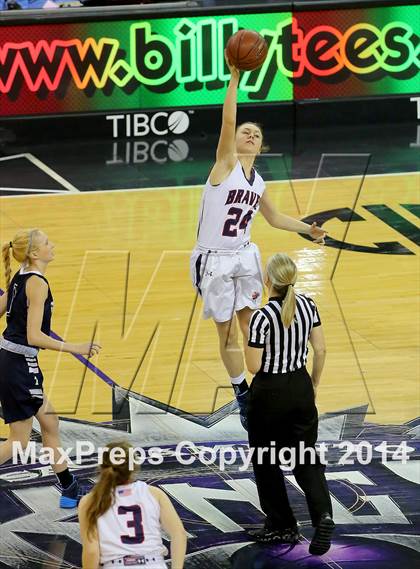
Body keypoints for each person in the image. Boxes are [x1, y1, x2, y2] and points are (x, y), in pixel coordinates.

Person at [190, 53, 326, 429]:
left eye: (257, 134)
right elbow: (228, 118)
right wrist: (235, 79)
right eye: (245, 132)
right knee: (228, 331)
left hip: (244, 255)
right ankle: (241, 393)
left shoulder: (259, 181)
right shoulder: (224, 165)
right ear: (233, 142)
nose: (250, 134)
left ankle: (265, 383)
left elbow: (275, 217)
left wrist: (308, 229)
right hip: (214, 259)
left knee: (252, 328)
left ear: (261, 146)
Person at [0, 228, 101, 507]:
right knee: (17, 442)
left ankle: (69, 487)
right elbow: (34, 336)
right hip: (18, 366)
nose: (52, 245)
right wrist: (76, 347)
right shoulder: (36, 283)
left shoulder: (21, 276)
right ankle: (69, 486)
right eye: (47, 243)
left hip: (16, 362)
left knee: (49, 421)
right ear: (34, 253)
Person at [244, 253, 334, 554]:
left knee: (267, 460)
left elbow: (254, 366)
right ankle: (323, 514)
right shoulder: (309, 305)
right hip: (300, 386)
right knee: (306, 457)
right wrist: (314, 384)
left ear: (268, 280)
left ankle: (282, 524)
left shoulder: (262, 316)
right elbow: (320, 349)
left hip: (270, 392)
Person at [78, 440, 187, 569]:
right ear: (134, 466)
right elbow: (179, 534)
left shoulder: (90, 501)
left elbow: (92, 551)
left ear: (101, 467)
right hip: (153, 563)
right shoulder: (154, 493)